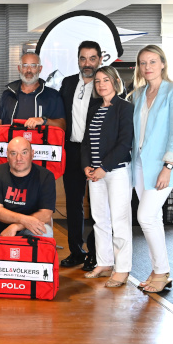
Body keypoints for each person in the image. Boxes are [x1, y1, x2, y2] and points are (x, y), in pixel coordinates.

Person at [131, 45, 173, 293]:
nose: (147, 67)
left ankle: (162, 272)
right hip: (139, 166)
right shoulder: (137, 94)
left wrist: (168, 165)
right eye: (143, 63)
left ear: (162, 64)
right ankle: (159, 271)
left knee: (145, 217)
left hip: (161, 166)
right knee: (153, 219)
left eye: (152, 62)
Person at [81, 66, 134, 287]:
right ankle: (104, 263)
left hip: (117, 171)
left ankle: (122, 269)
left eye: (106, 80)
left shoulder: (125, 108)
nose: (101, 84)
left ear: (115, 81)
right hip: (95, 174)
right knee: (99, 219)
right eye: (98, 81)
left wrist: (104, 167)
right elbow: (86, 141)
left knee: (120, 220)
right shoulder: (94, 108)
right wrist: (87, 166)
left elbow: (125, 143)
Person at [58, 41, 102, 270]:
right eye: (83, 58)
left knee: (98, 206)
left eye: (92, 58)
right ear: (77, 60)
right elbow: (60, 116)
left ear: (100, 60)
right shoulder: (67, 83)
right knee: (74, 204)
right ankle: (76, 251)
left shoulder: (104, 84)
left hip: (96, 153)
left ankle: (96, 254)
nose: (87, 63)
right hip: (72, 151)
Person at [0, 137, 55, 238]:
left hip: (29, 228)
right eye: (13, 153)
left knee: (45, 232)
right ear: (7, 156)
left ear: (32, 154)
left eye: (24, 152)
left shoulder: (45, 176)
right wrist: (25, 220)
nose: (19, 158)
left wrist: (16, 226)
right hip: (3, 232)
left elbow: (46, 214)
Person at [0, 52, 66, 140]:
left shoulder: (53, 95)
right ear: (19, 68)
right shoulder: (8, 94)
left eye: (33, 66)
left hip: (41, 150)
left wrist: (43, 121)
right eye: (25, 65)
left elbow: (62, 126)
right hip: (11, 149)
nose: (28, 70)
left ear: (40, 69)